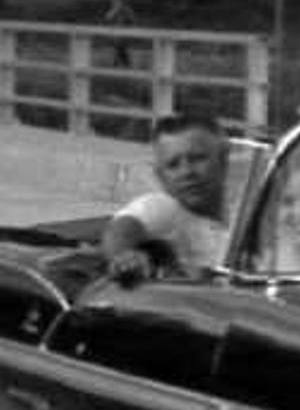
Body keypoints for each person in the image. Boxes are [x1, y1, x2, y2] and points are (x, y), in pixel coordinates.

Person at [99, 113, 234, 284]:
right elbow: (123, 228)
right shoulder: (163, 207)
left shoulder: (250, 211)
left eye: (197, 159)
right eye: (173, 165)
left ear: (223, 161)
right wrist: (125, 258)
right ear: (160, 176)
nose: (187, 172)